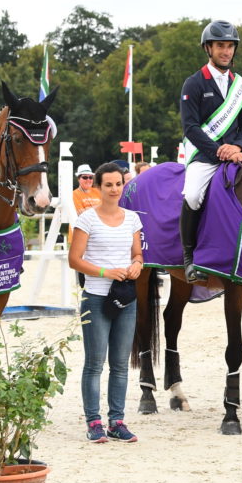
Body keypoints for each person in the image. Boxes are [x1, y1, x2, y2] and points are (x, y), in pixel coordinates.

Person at [69, 162, 144, 443]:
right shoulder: (87, 219)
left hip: (125, 297)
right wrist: (104, 272)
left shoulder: (133, 218)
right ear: (98, 187)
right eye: (108, 184)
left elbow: (137, 253)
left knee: (121, 364)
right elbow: (74, 259)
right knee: (95, 363)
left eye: (118, 184)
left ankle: (117, 420)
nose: (114, 189)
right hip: (97, 297)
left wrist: (137, 264)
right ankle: (94, 421)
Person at [179, 20, 242, 282]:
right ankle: (189, 257)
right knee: (192, 196)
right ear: (208, 48)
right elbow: (190, 128)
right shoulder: (194, 83)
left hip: (236, 154)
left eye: (230, 46)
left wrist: (237, 147)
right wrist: (219, 150)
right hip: (204, 155)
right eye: (220, 46)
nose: (226, 51)